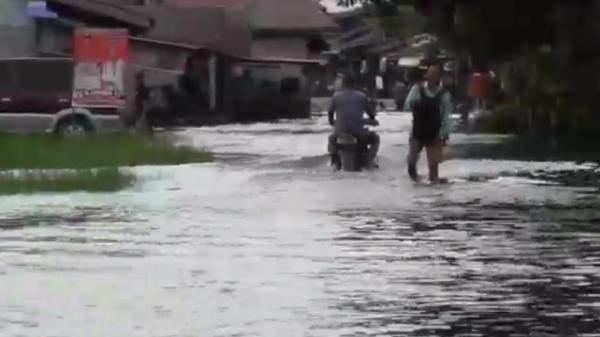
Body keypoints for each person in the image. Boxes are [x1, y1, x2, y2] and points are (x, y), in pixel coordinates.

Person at [404, 64, 453, 183]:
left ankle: (434, 190)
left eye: (434, 75)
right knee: (411, 160)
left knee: (433, 164)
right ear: (426, 75)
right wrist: (417, 104)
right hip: (418, 130)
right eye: (429, 74)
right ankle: (414, 183)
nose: (430, 77)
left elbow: (447, 116)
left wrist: (445, 133)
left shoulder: (444, 94)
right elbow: (407, 106)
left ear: (439, 78)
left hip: (435, 132)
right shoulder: (417, 89)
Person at [328, 76, 380, 168]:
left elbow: (330, 113)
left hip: (340, 133)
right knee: (376, 138)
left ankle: (335, 161)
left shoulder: (335, 96)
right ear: (354, 84)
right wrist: (372, 118)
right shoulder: (362, 96)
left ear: (343, 84)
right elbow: (370, 113)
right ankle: (369, 160)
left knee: (331, 139)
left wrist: (332, 122)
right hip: (359, 134)